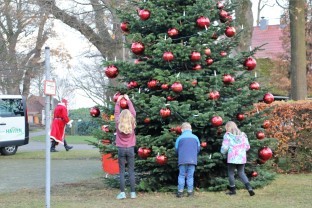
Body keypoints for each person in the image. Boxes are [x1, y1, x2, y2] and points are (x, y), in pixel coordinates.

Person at [220, 121, 255, 196]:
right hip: (241, 157)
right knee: (241, 173)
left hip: (232, 157)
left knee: (231, 173)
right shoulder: (243, 135)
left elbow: (225, 147)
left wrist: (222, 152)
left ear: (228, 127)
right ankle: (249, 188)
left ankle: (233, 191)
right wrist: (241, 151)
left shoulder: (227, 135)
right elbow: (247, 147)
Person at [114, 94, 137, 200]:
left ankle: (122, 193)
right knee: (131, 171)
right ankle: (133, 193)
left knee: (122, 171)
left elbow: (116, 113)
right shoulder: (132, 122)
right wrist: (128, 101)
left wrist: (118, 102)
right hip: (131, 149)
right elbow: (133, 112)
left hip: (121, 149)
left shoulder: (118, 123)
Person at [175, 122, 200, 198]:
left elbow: (176, 149)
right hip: (192, 160)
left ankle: (180, 192)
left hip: (182, 160)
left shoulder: (179, 138)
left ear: (182, 130)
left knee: (182, 175)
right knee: (190, 176)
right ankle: (190, 192)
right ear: (191, 130)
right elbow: (198, 149)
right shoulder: (195, 137)